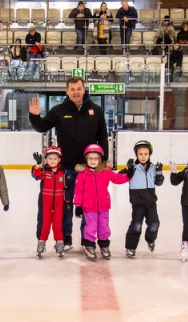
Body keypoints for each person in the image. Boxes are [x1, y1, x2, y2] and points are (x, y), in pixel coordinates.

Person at [29, 76, 109, 251]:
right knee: (65, 206)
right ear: (67, 91)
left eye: (79, 88)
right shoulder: (58, 110)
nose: (76, 92)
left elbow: (102, 135)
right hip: (65, 168)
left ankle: (86, 240)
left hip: (89, 169)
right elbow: (42, 126)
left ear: (84, 89)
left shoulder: (96, 110)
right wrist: (34, 116)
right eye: (72, 89)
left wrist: (104, 161)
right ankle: (66, 239)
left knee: (87, 207)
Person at [74, 144, 132, 261]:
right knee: (91, 226)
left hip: (104, 205)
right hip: (89, 207)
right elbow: (78, 191)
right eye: (90, 158)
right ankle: (89, 245)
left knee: (104, 226)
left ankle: (104, 244)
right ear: (86, 159)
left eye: (96, 158)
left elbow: (117, 179)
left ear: (100, 159)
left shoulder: (106, 172)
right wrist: (78, 205)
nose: (93, 161)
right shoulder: (82, 175)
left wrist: (128, 176)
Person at [31, 146, 75, 258]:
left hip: (59, 202)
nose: (52, 161)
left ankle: (59, 242)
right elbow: (36, 175)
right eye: (50, 158)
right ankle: (41, 242)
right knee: (44, 222)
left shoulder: (64, 173)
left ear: (59, 159)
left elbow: (70, 186)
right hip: (45, 201)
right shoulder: (44, 171)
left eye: (55, 158)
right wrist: (38, 165)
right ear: (46, 159)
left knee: (58, 223)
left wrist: (68, 201)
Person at [124, 140, 164, 258]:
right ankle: (130, 247)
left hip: (151, 202)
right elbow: (121, 177)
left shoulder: (153, 167)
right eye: (140, 154)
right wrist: (128, 170)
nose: (143, 156)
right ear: (136, 154)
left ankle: (150, 239)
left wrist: (159, 174)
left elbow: (159, 183)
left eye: (145, 154)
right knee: (136, 226)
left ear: (149, 155)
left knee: (154, 224)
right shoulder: (133, 168)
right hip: (137, 203)